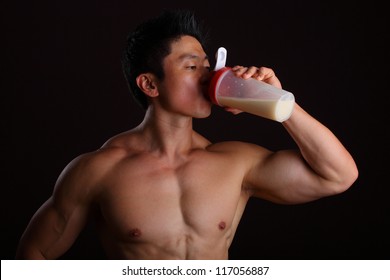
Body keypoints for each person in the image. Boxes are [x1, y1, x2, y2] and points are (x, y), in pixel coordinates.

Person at [16, 9, 358, 260]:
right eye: (192, 67)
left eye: (208, 66)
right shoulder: (98, 170)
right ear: (150, 84)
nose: (209, 77)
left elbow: (338, 176)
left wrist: (279, 103)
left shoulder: (234, 162)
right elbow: (33, 254)